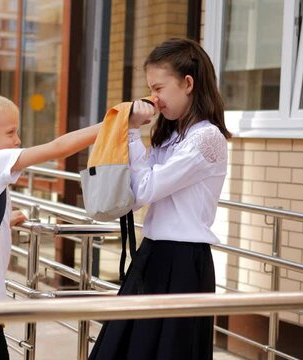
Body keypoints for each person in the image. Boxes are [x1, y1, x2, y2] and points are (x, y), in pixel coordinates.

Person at [89, 38, 232, 360]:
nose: (153, 98)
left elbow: (145, 189)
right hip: (154, 252)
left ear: (188, 83)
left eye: (159, 87)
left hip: (183, 261)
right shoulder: (172, 137)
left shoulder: (206, 138)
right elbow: (135, 196)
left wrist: (130, 133)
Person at [0, 92, 101, 360]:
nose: (17, 140)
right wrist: (115, 121)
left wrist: (5, 222)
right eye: (10, 132)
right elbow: (58, 147)